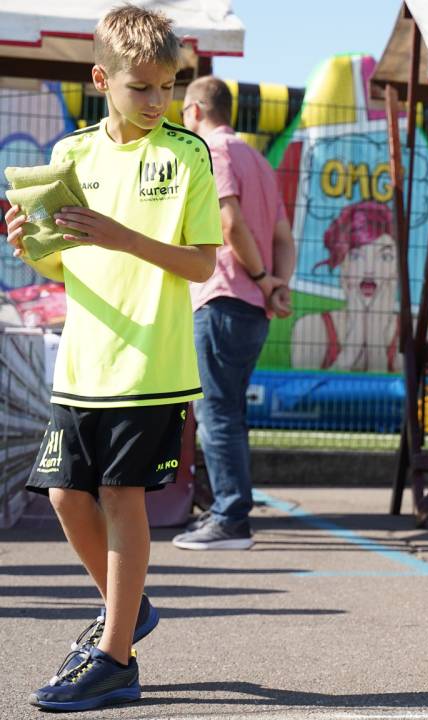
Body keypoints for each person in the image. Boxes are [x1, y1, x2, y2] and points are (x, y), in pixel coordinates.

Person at [6, 5, 220, 710]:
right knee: (66, 496)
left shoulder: (186, 154)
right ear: (102, 80)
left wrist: (123, 236)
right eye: (142, 87)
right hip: (82, 363)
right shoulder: (70, 155)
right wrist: (28, 247)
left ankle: (116, 656)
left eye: (169, 86)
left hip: (151, 365)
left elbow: (200, 265)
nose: (159, 100)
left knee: (121, 496)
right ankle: (127, 609)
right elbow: (64, 265)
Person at [173, 75, 296, 550]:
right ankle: (229, 510)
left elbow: (229, 222)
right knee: (229, 410)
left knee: (216, 411)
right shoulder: (258, 160)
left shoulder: (211, 151)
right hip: (251, 306)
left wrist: (263, 278)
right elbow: (283, 236)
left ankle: (229, 518)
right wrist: (276, 285)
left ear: (196, 111)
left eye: (183, 112)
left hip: (222, 294)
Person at [290, 201, 401, 373]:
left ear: (397, 270)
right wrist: (351, 349)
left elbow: (391, 390)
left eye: (385, 257)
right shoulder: (311, 328)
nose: (370, 270)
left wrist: (375, 340)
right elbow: (303, 389)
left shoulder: (411, 333)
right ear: (343, 266)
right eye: (356, 256)